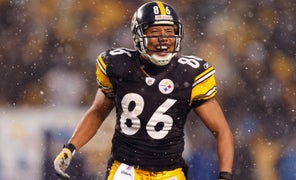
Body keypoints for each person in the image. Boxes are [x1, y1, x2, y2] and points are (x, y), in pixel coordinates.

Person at [53, 1, 234, 180]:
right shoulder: (119, 65)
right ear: (139, 35)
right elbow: (98, 111)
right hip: (126, 168)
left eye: (169, 32)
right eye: (155, 31)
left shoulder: (189, 73)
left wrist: (225, 176)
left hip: (170, 172)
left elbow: (221, 129)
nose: (164, 38)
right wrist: (69, 148)